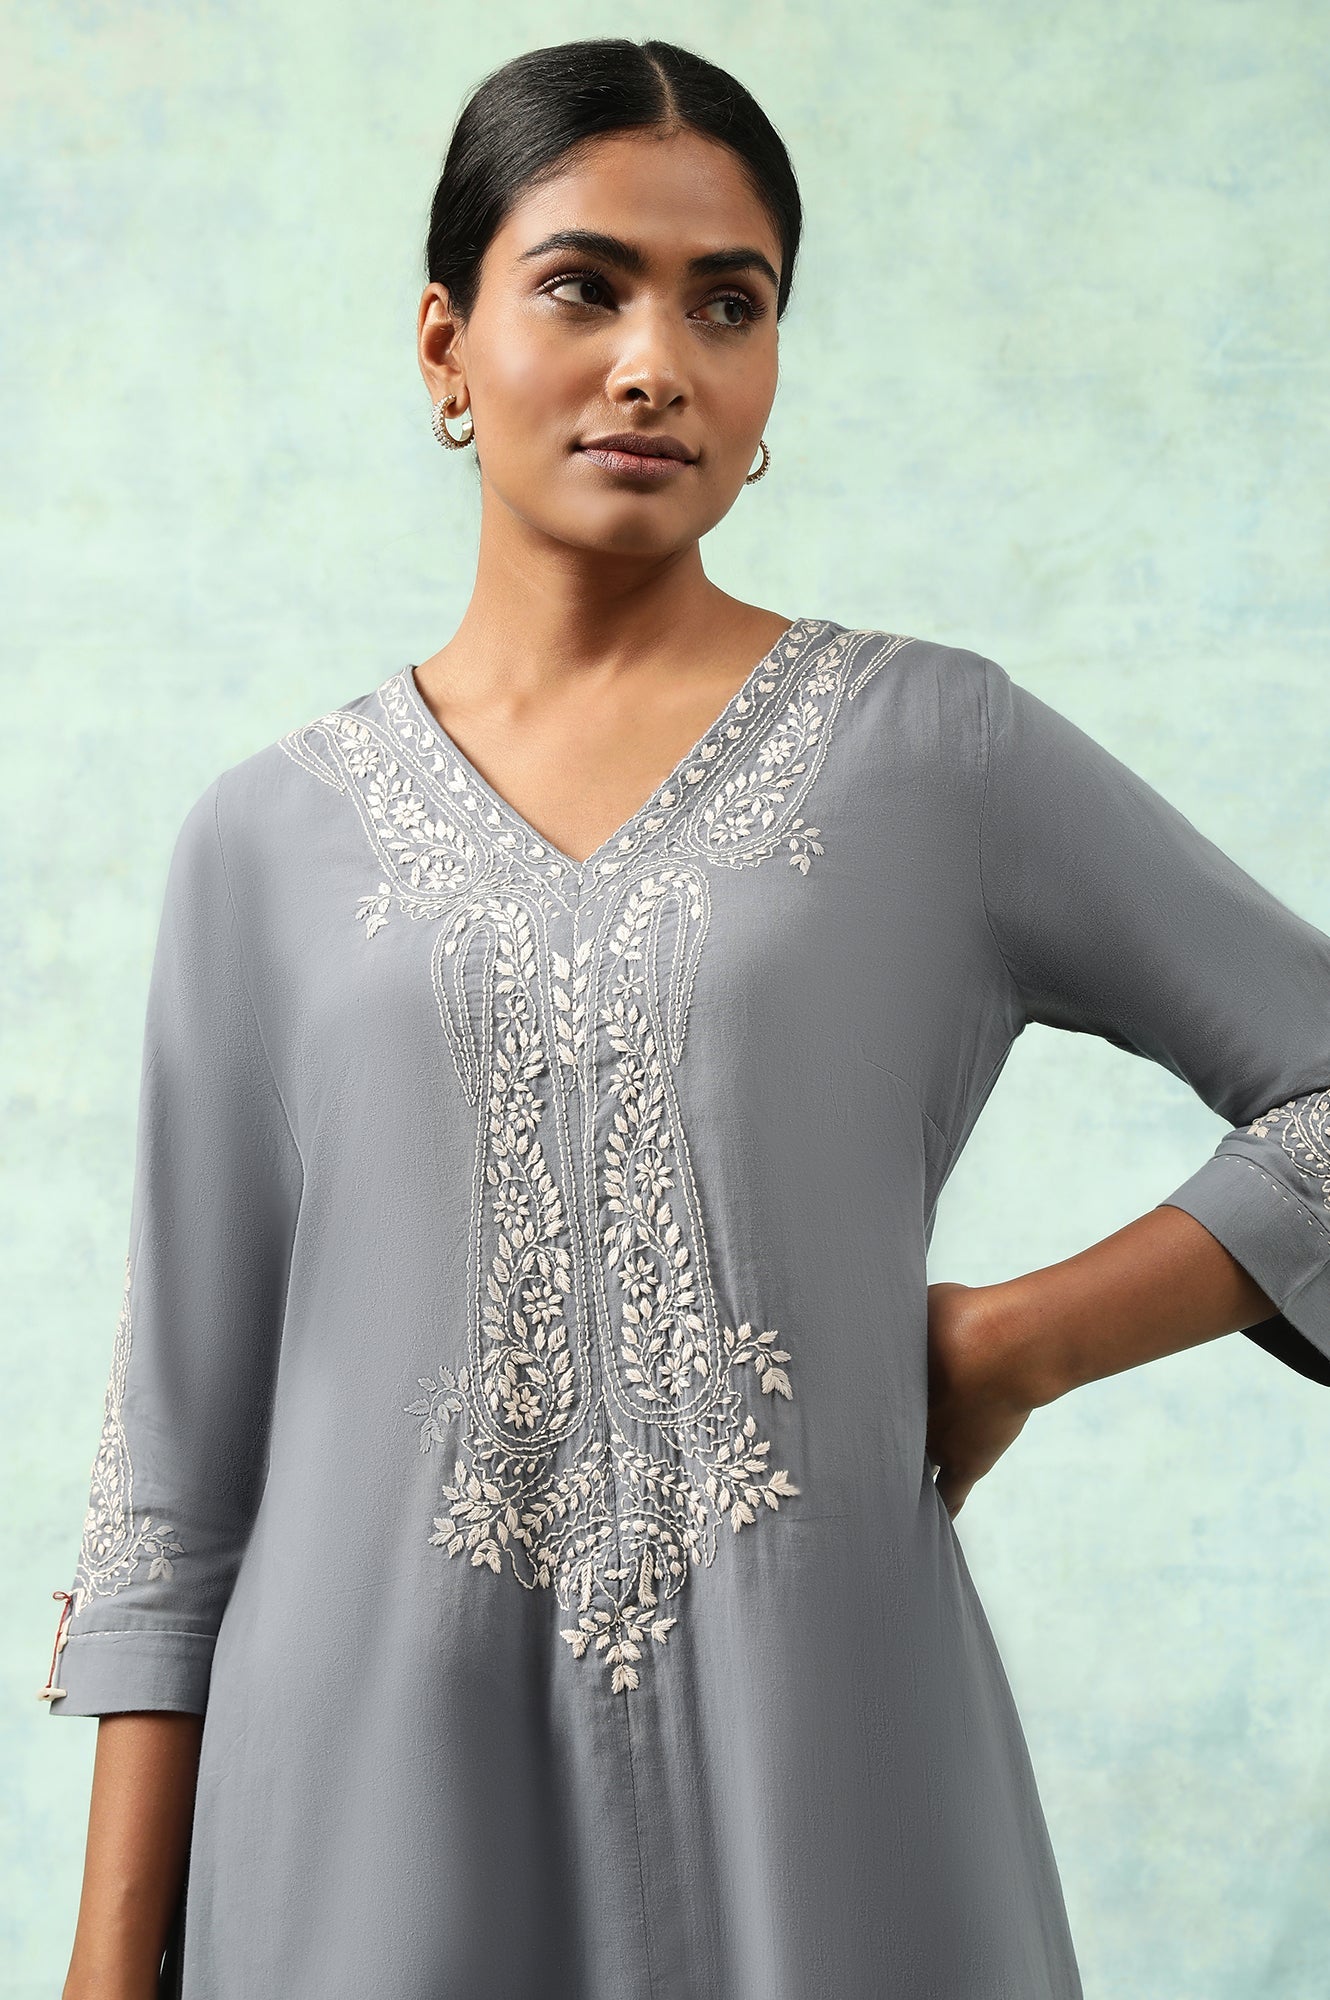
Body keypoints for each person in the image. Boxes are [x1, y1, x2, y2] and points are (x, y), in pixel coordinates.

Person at [44, 35, 1330, 2000]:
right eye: (582, 286)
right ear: (443, 346)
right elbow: (177, 1471)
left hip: (823, 1772)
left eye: (727, 304)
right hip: (360, 1814)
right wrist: (102, 1967)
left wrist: (1018, 1340)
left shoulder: (933, 756)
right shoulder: (265, 843)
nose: (656, 361)